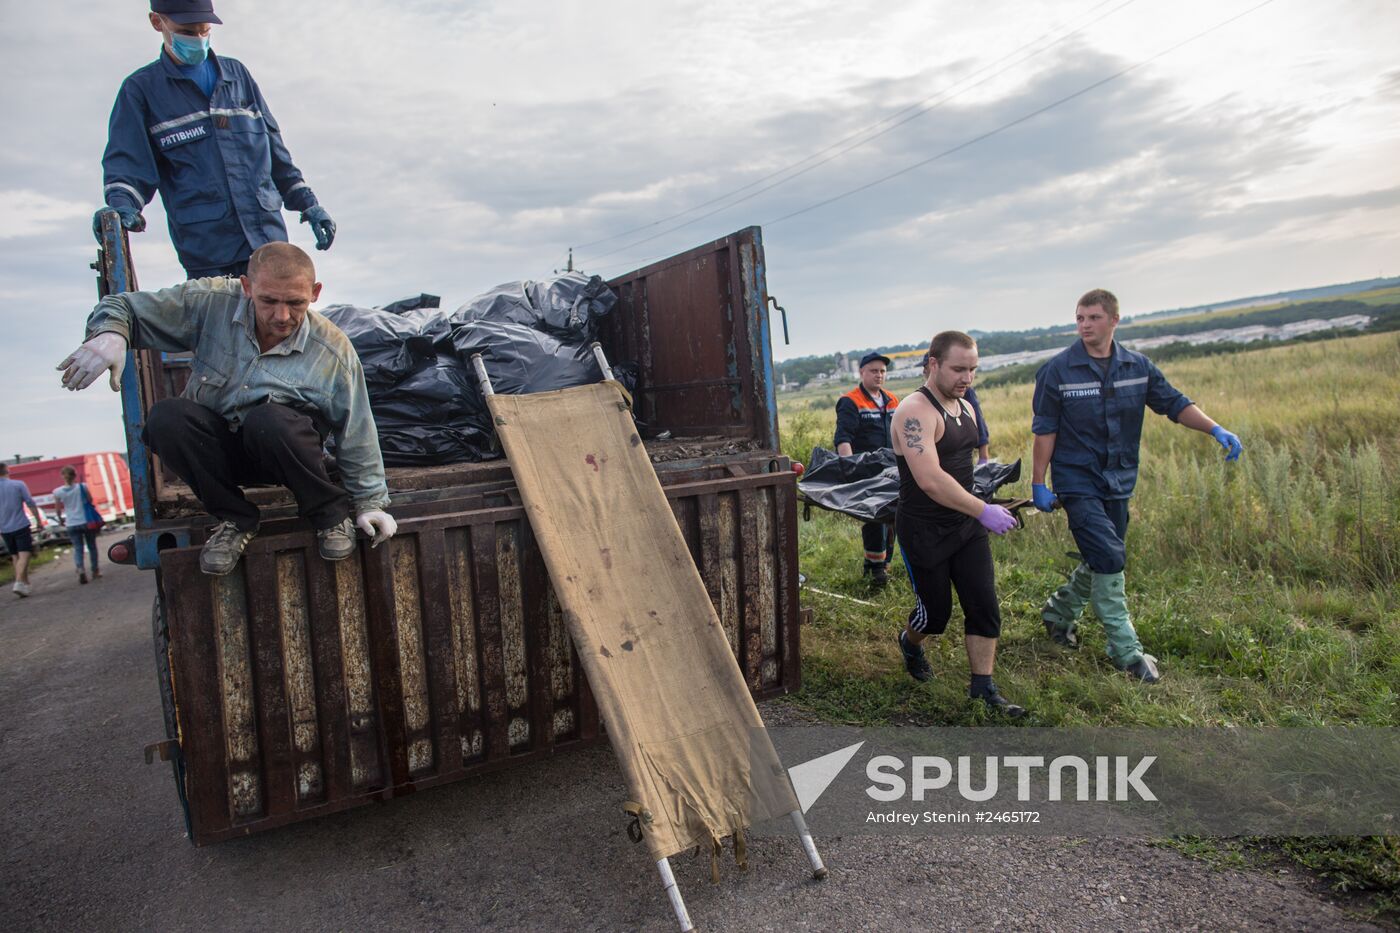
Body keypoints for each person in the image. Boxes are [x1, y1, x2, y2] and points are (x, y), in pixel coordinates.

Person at [57, 243, 397, 576]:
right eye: (268, 301)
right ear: (247, 287)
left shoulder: (332, 350)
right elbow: (122, 306)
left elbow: (356, 427)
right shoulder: (211, 303)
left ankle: (329, 516)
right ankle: (235, 519)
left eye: (295, 303)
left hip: (282, 456)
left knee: (270, 420)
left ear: (316, 292)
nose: (281, 316)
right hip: (217, 457)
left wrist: (370, 503)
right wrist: (112, 333)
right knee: (167, 417)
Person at [1031, 289, 1242, 683]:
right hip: (1077, 480)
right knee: (1110, 556)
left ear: (1114, 320)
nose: (1084, 325)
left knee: (1102, 556)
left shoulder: (1137, 366)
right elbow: (1046, 429)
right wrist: (1038, 482)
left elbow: (1174, 404)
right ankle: (1126, 651)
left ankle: (1057, 615)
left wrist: (1215, 428)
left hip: (1119, 478)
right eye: (1079, 318)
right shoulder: (1057, 371)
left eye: (1093, 317)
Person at [94, 0, 335, 279]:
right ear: (157, 22)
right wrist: (120, 208)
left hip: (268, 244)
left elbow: (276, 154)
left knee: (280, 318)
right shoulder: (141, 91)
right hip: (208, 255)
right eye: (187, 31)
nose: (197, 39)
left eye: (204, 30)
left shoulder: (238, 77)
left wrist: (309, 203)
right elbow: (128, 166)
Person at [891, 332, 1025, 716]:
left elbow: (962, 464)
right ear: (932, 363)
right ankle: (911, 642)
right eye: (958, 369)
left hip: (965, 525)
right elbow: (930, 479)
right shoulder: (914, 412)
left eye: (972, 369)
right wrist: (983, 510)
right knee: (935, 615)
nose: (967, 377)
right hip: (924, 529)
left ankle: (983, 689)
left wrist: (978, 507)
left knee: (984, 605)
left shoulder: (964, 406)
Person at [834, 351, 899, 586]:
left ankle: (884, 563)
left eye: (882, 371)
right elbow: (843, 438)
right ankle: (875, 570)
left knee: (895, 517)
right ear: (861, 372)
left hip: (892, 469)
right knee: (875, 518)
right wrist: (850, 470)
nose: (879, 375)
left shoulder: (892, 400)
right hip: (867, 471)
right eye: (873, 371)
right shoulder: (851, 401)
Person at [924, 351, 991, 462]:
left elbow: (978, 420)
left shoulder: (962, 390)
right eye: (929, 369)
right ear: (925, 371)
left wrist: (983, 456)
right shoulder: (922, 399)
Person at [1, 463, 48, 597]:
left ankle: (25, 585)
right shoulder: (18, 484)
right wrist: (38, 521)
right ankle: (18, 582)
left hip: (4, 527)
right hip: (20, 524)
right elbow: (30, 503)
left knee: (15, 555)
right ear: (7, 471)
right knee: (25, 554)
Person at [52, 467, 102, 585]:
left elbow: (58, 509)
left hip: (71, 523)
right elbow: (90, 500)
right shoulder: (82, 487)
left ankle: (80, 569)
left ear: (62, 476)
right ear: (75, 476)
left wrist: (60, 519)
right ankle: (95, 571)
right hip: (86, 521)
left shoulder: (57, 492)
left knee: (78, 548)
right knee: (92, 546)